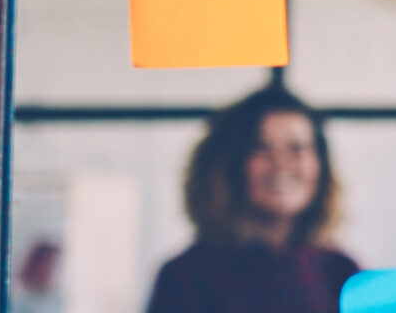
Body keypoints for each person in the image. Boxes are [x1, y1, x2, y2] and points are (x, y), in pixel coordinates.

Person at [145, 87, 358, 313]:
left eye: (297, 149)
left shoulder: (341, 273)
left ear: (320, 166)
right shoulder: (186, 277)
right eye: (261, 148)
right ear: (228, 165)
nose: (281, 164)